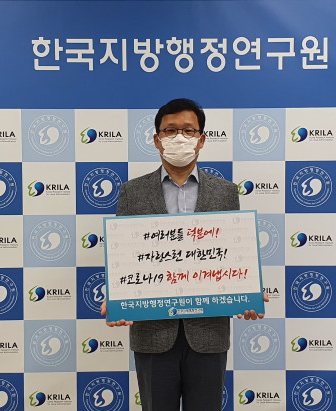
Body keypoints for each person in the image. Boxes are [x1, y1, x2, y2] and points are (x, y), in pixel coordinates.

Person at [100, 98, 268, 411]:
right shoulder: (132, 192)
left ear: (201, 140)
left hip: (208, 332)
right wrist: (117, 295)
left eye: (189, 131)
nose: (180, 137)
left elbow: (233, 254)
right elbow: (123, 255)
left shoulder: (225, 192)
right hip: (152, 332)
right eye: (170, 130)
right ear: (157, 139)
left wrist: (247, 293)